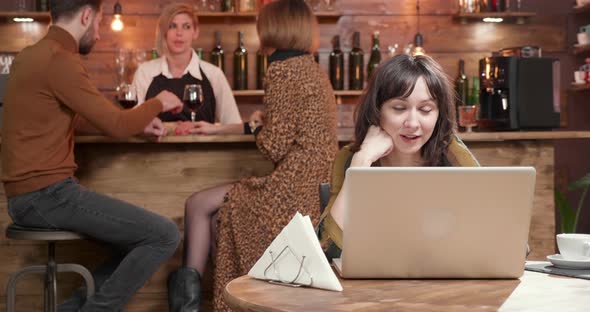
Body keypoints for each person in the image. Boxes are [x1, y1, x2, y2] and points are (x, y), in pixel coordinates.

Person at [1, 1, 184, 311]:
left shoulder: (30, 57)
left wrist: (138, 125)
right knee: (164, 234)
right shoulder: (60, 61)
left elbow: (78, 119)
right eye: (99, 23)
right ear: (86, 15)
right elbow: (116, 125)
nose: (99, 34)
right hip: (48, 195)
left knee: (138, 238)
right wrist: (157, 103)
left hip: (29, 197)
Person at [166, 1, 338, 311]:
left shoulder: (281, 69)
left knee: (199, 205)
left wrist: (258, 127)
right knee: (217, 216)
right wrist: (223, 129)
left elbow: (273, 145)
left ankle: (209, 304)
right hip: (315, 188)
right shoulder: (310, 68)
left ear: (272, 27)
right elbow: (285, 128)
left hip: (291, 190)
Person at [318, 54, 480, 257]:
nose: (412, 123)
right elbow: (327, 248)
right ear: (377, 110)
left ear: (439, 115)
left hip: (442, 282)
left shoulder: (449, 153)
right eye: (399, 108)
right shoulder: (351, 158)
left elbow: (501, 235)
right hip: (374, 285)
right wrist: (361, 162)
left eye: (426, 109)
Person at [132, 3, 248, 135]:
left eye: (186, 27)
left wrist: (206, 128)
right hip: (153, 154)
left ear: (195, 32)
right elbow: (132, 123)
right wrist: (171, 127)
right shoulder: (145, 72)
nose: (179, 33)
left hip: (204, 154)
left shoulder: (213, 74)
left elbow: (234, 126)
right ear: (164, 32)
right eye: (172, 26)